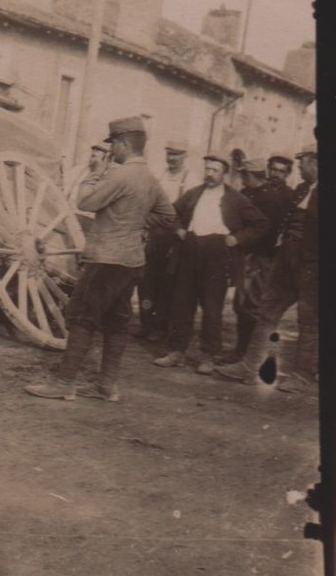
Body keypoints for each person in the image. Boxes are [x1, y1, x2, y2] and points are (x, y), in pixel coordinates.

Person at [25, 116, 177, 403]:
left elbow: (85, 202)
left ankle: (64, 382)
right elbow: (168, 216)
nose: (111, 152)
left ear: (122, 143)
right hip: (132, 261)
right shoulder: (149, 178)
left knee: (82, 317)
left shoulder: (120, 175)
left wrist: (95, 171)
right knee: (117, 322)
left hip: (106, 259)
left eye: (113, 145)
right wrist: (137, 223)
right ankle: (107, 386)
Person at [152, 153, 268, 375]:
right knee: (182, 302)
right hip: (190, 249)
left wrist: (238, 239)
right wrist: (178, 229)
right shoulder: (194, 193)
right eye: (207, 169)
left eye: (214, 170)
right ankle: (176, 351)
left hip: (218, 253)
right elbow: (170, 212)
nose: (209, 174)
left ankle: (209, 355)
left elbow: (261, 224)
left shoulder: (236, 199)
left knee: (212, 307)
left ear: (224, 174)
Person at [217, 142, 319, 392]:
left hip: (313, 263)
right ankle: (249, 367)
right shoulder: (303, 189)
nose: (301, 167)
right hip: (287, 258)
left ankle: (304, 377)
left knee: (308, 319)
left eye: (303, 162)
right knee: (266, 311)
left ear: (317, 162)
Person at [223, 153, 296, 365]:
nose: (275, 174)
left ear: (287, 174)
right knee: (241, 302)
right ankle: (241, 350)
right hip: (248, 255)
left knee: (251, 304)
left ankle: (244, 353)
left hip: (264, 257)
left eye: (281, 171)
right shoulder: (249, 192)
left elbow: (270, 230)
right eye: (273, 169)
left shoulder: (285, 197)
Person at [139, 138, 196, 340]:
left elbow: (190, 212)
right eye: (169, 153)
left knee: (167, 282)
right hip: (154, 234)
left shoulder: (190, 179)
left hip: (174, 238)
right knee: (146, 279)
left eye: (176, 154)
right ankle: (145, 323)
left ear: (185, 156)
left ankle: (160, 326)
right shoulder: (160, 175)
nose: (171, 158)